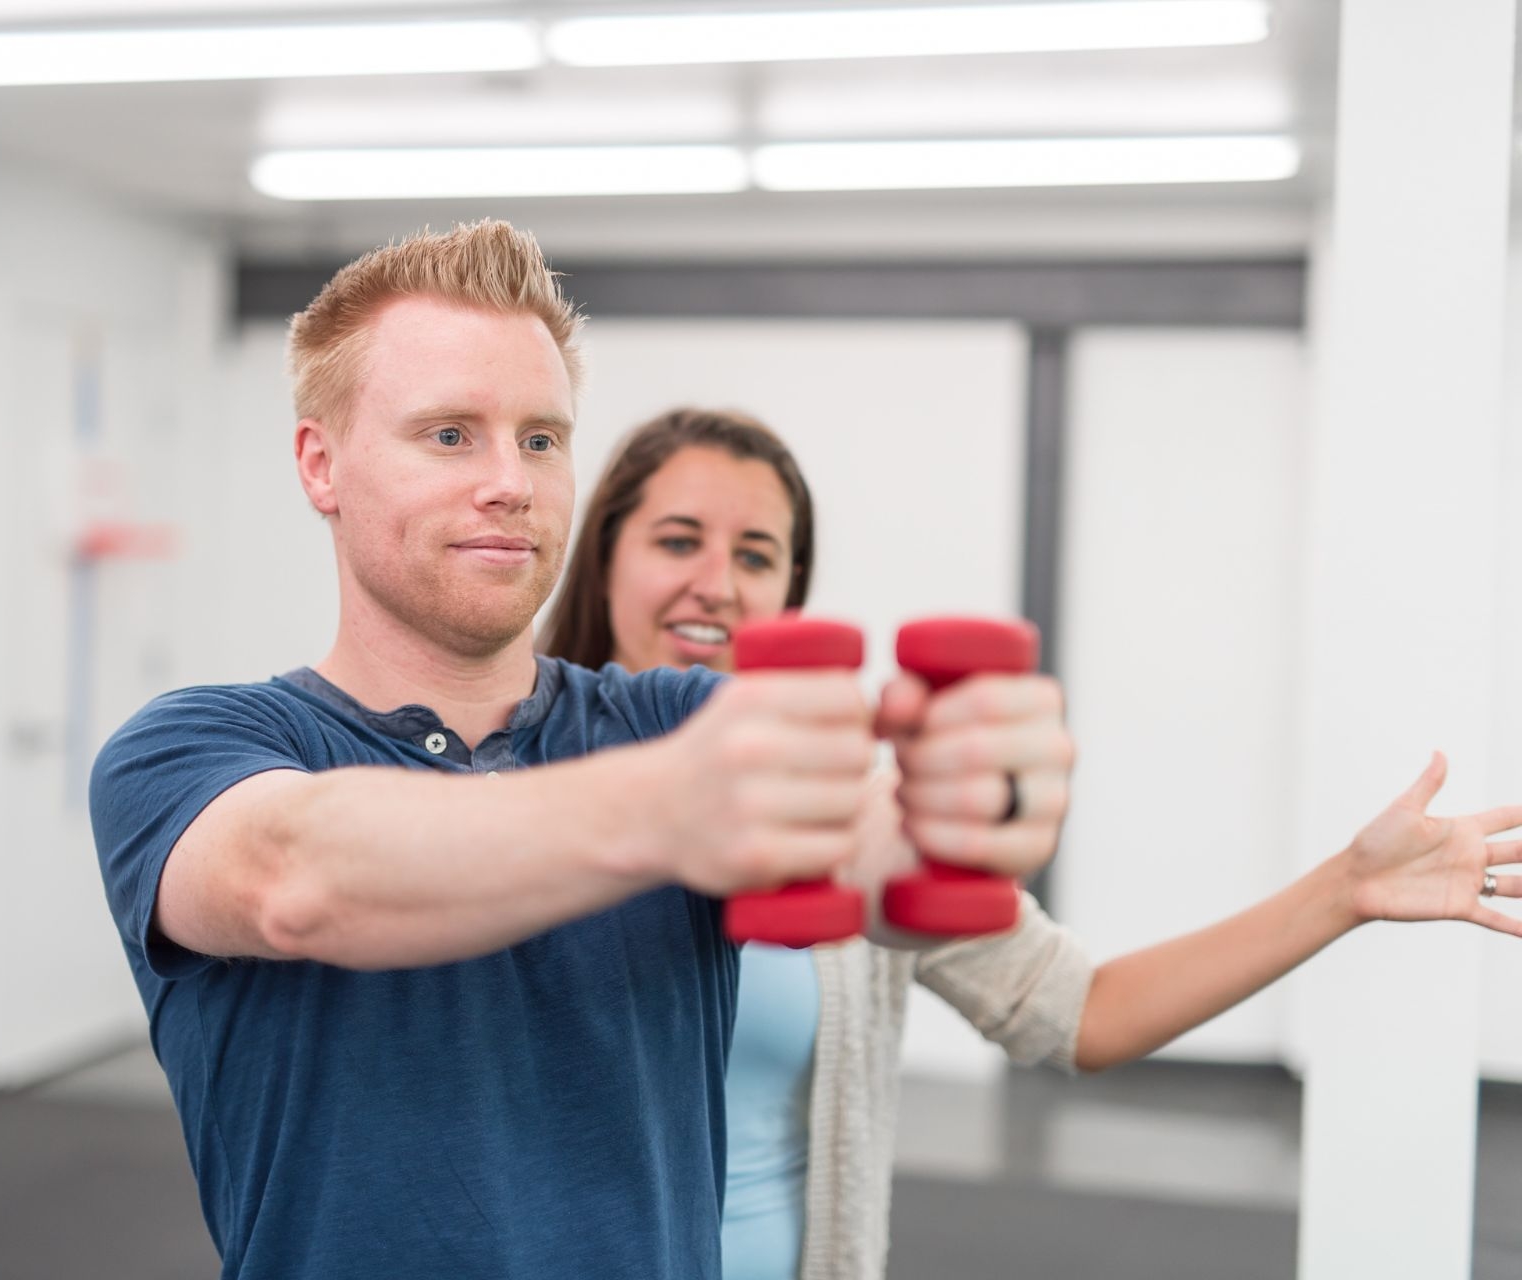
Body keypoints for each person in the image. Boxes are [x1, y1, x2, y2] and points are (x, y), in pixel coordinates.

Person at [86, 222, 1077, 1280]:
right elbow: (297, 875)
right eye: (451, 435)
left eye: (543, 439)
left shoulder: (672, 718)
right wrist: (673, 807)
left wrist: (977, 796)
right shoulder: (190, 747)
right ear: (321, 464)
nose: (512, 480)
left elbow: (880, 856)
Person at [540, 405, 1522, 1280]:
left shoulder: (859, 830)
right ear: (607, 560)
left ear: (790, 598)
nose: (717, 583)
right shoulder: (508, 799)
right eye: (679, 540)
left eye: (756, 554)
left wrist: (1346, 887)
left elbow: (1084, 1010)